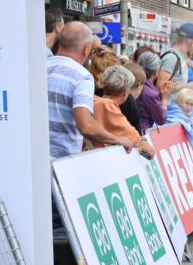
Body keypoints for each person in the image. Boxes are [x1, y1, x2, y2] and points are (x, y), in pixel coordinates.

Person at [46, 21, 138, 163]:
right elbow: (86, 126)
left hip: (34, 160)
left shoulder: (42, 67)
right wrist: (117, 139)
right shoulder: (81, 76)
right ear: (86, 48)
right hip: (60, 163)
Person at [88, 65, 154, 157]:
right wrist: (142, 142)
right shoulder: (107, 106)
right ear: (126, 93)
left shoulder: (92, 100)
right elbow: (147, 149)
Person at [136, 50, 173, 131]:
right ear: (156, 70)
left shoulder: (137, 84)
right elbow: (161, 119)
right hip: (143, 132)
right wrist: (165, 98)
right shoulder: (149, 92)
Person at [158, 23, 193, 90]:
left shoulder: (180, 57)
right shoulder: (171, 58)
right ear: (191, 41)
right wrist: (187, 86)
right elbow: (161, 86)